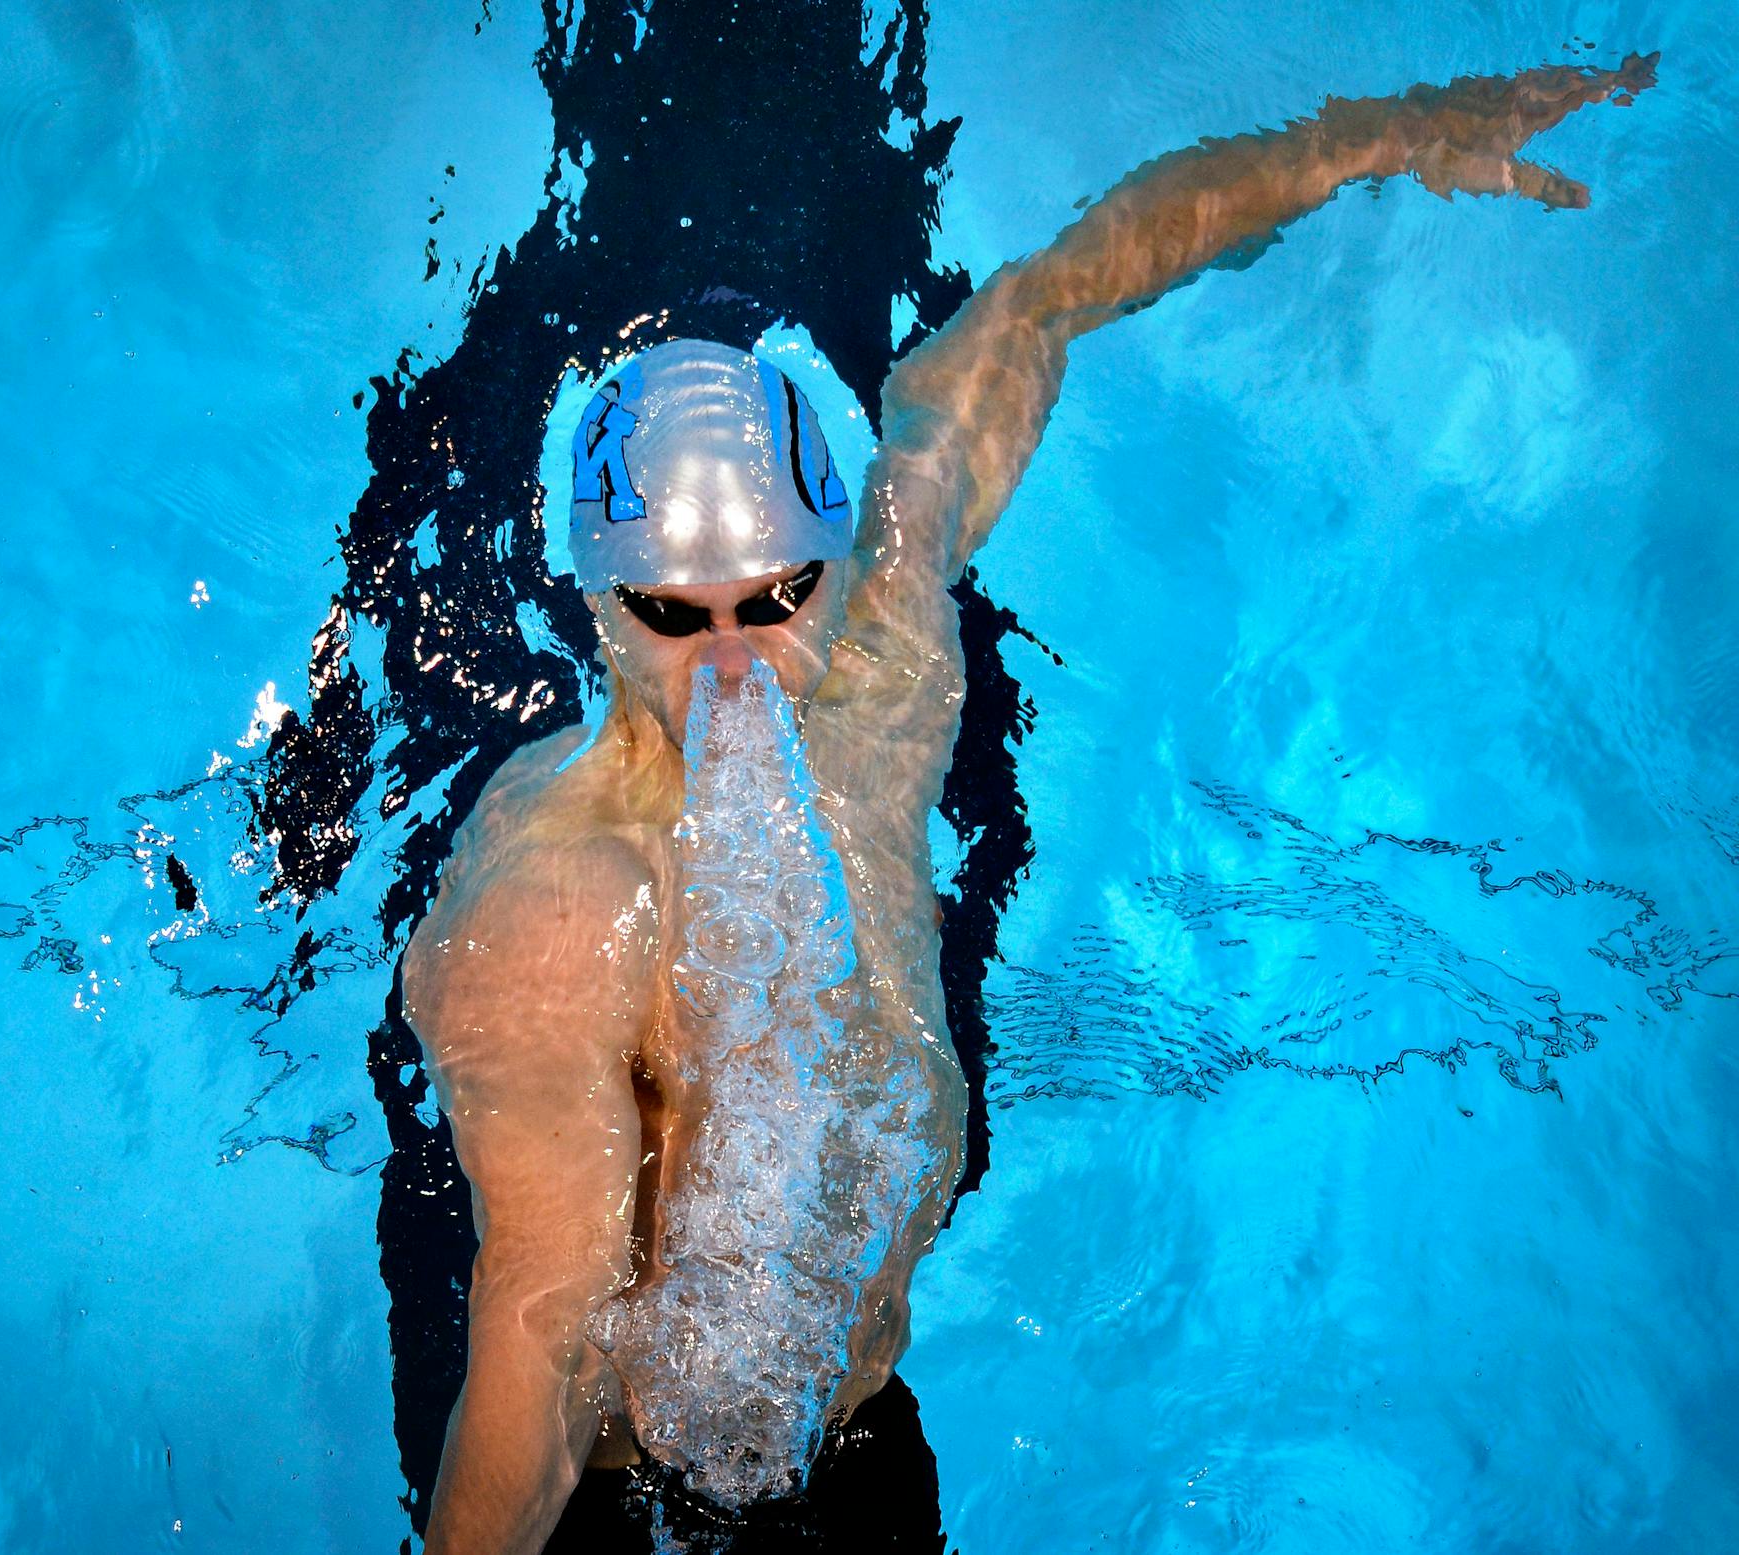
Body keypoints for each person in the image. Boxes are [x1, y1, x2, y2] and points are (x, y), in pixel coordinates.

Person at [400, 53, 1654, 1554]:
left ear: (841, 559)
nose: (733, 666)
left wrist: (1384, 138)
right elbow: (537, 1341)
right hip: (618, 1495)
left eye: (777, 598)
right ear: (602, 615)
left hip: (851, 1412)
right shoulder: (560, 905)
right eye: (674, 619)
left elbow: (1051, 298)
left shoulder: (888, 633)